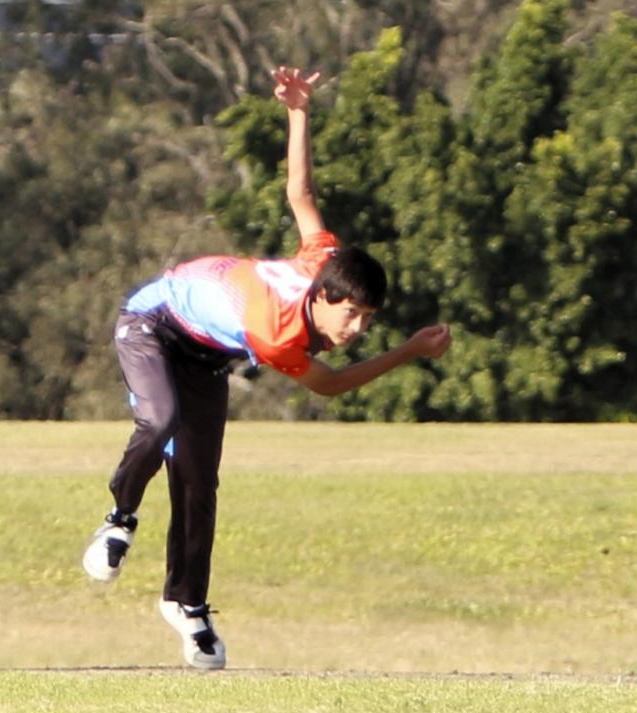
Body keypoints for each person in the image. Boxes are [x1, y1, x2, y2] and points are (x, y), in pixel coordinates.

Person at [80, 67, 452, 670]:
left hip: (207, 356)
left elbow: (300, 196)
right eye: (350, 315)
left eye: (368, 319)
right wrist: (408, 351)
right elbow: (329, 385)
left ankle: (186, 605)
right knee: (162, 421)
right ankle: (119, 520)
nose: (355, 330)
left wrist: (298, 112)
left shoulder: (325, 263)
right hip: (152, 323)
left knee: (200, 484)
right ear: (324, 298)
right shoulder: (277, 330)